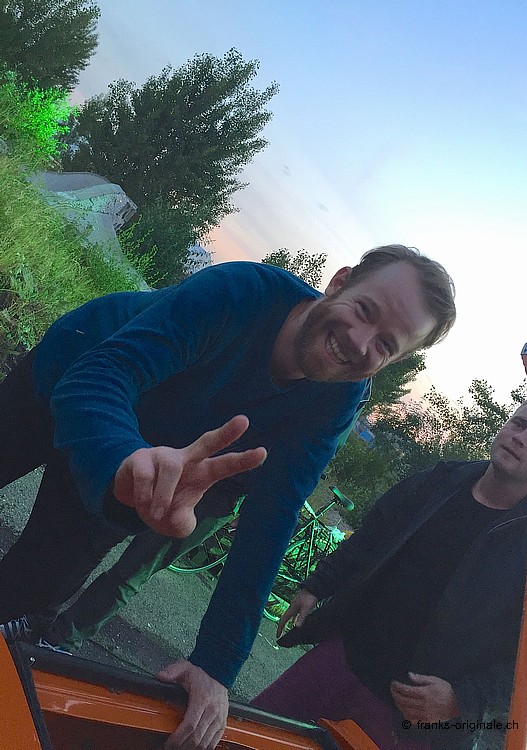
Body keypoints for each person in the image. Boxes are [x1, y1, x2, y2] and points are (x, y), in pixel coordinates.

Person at [0, 246, 456, 750]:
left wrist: (216, 666)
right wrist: (123, 455)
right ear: (339, 282)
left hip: (142, 469)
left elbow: (271, 521)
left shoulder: (337, 400)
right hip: (69, 378)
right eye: (364, 310)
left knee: (28, 590)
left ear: (395, 360)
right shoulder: (242, 292)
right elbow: (105, 372)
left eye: (386, 344)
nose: (359, 341)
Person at [251, 395, 527, 750]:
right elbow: (373, 533)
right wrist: (317, 585)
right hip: (342, 659)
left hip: (408, 719)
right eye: (519, 423)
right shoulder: (441, 481)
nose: (520, 437)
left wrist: (463, 699)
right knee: (249, 737)